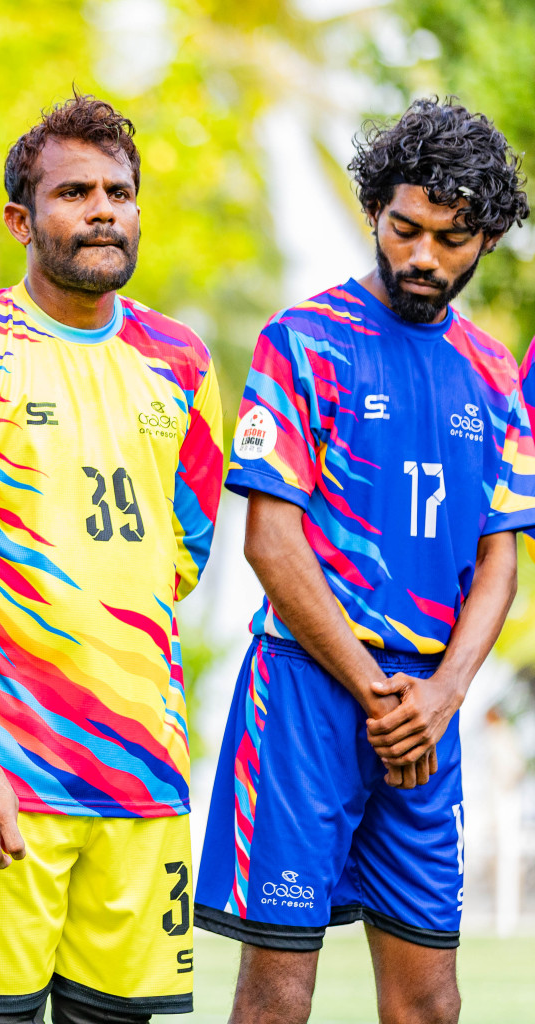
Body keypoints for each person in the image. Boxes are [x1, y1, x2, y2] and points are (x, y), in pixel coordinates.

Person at [0, 94, 224, 1023]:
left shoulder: (183, 363)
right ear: (20, 220)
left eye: (120, 190)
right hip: (7, 773)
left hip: (145, 775)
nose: (104, 208)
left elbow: (184, 556)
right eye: (75, 191)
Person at [193, 99, 535, 1024]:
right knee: (278, 993)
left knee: (430, 1002)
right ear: (375, 215)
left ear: (488, 238)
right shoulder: (303, 342)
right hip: (307, 692)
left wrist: (439, 697)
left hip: (430, 704)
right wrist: (379, 693)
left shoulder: (499, 375)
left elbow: (499, 561)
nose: (424, 256)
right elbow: (270, 540)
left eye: (453, 238)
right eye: (405, 228)